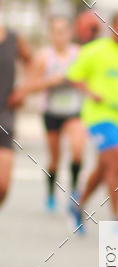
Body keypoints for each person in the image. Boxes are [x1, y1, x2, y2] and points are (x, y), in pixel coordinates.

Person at [66, 12, 118, 227]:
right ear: (113, 27)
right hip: (99, 116)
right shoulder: (94, 50)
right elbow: (74, 77)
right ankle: (117, 221)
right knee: (116, 164)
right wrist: (91, 93)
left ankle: (78, 203)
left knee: (105, 168)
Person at [15, 15, 85, 214]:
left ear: (69, 33)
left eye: (63, 31)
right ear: (51, 34)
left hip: (74, 110)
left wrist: (76, 81)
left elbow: (89, 80)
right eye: (56, 32)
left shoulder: (79, 54)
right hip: (51, 112)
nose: (59, 36)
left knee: (77, 150)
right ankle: (51, 194)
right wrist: (50, 82)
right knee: (55, 157)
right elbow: (29, 86)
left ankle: (74, 191)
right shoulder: (44, 57)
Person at [0, 20, 33, 205]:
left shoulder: (13, 38)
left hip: (4, 117)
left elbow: (32, 64)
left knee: (3, 186)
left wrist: (23, 90)